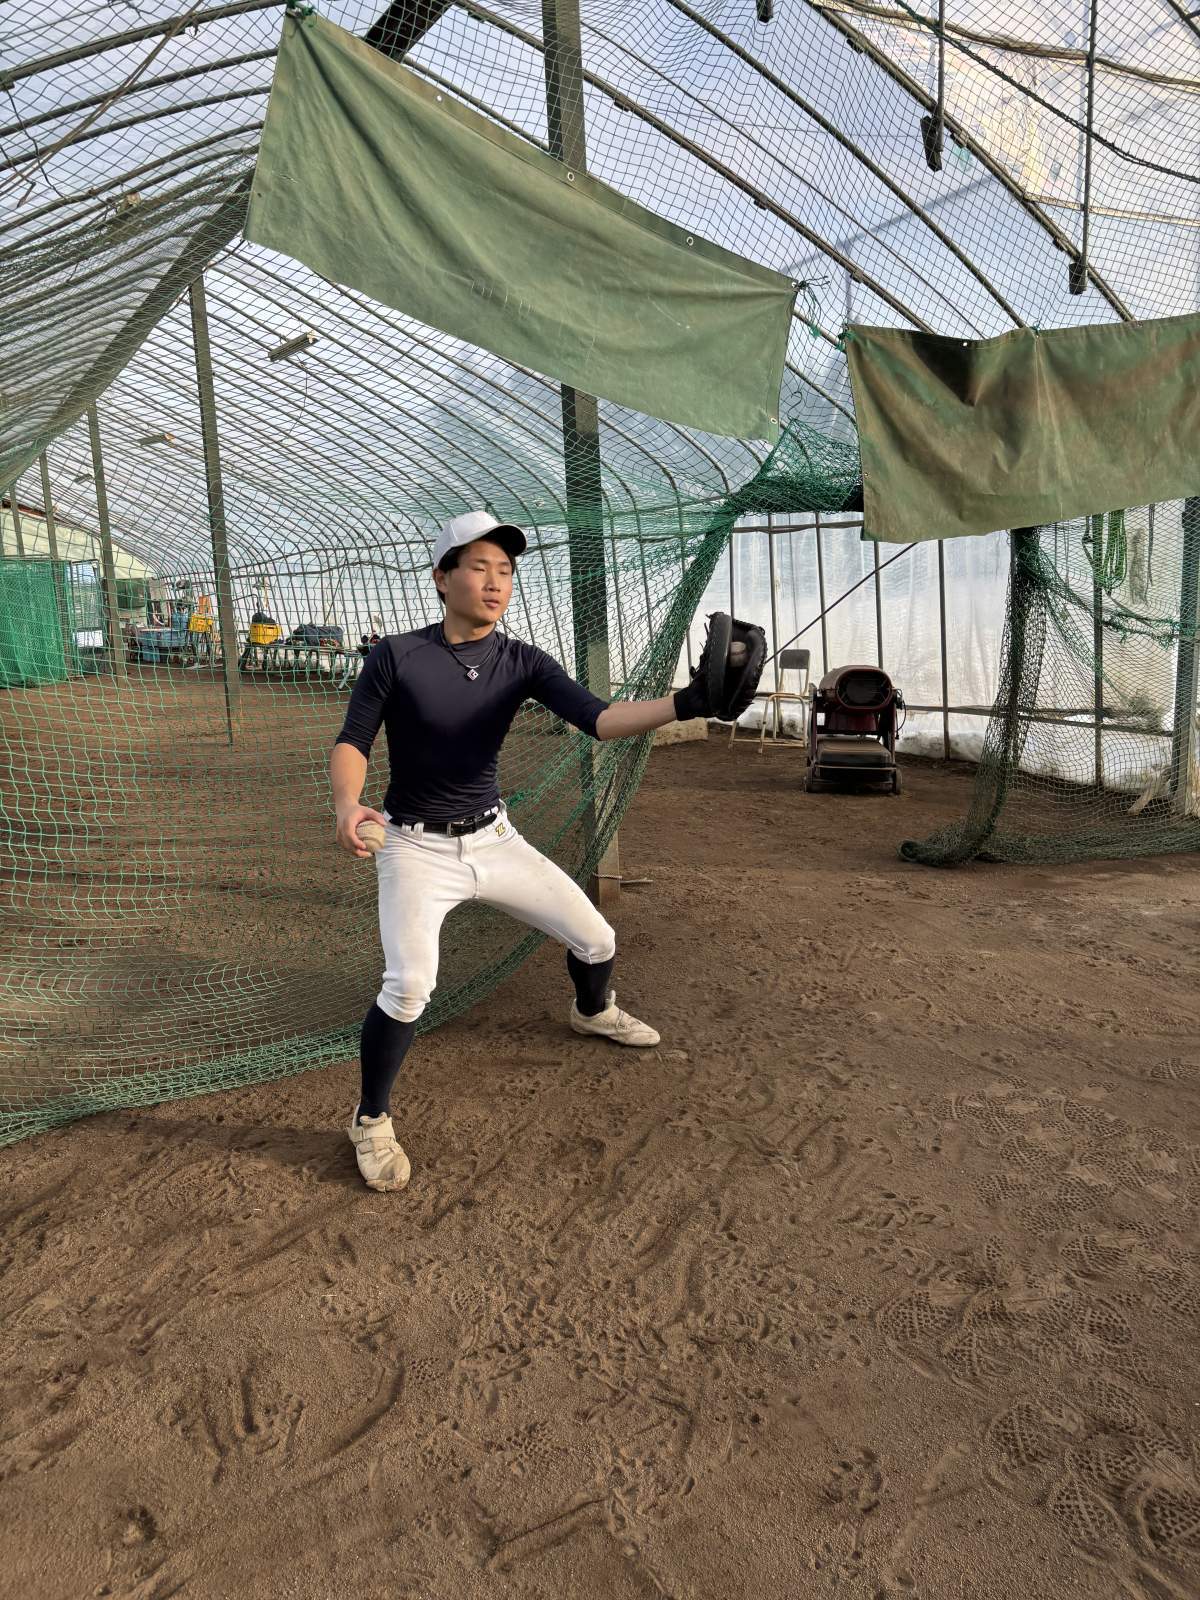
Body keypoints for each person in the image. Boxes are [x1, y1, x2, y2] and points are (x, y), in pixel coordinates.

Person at [330, 510, 711, 1193]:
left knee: (597, 938)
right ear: (442, 578)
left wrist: (684, 703)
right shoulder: (397, 654)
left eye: (505, 570)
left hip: (494, 838)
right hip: (414, 847)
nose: (495, 581)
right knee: (409, 985)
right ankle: (370, 1117)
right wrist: (347, 804)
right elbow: (353, 740)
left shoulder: (522, 661)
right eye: (478, 566)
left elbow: (599, 719)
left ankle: (591, 1012)